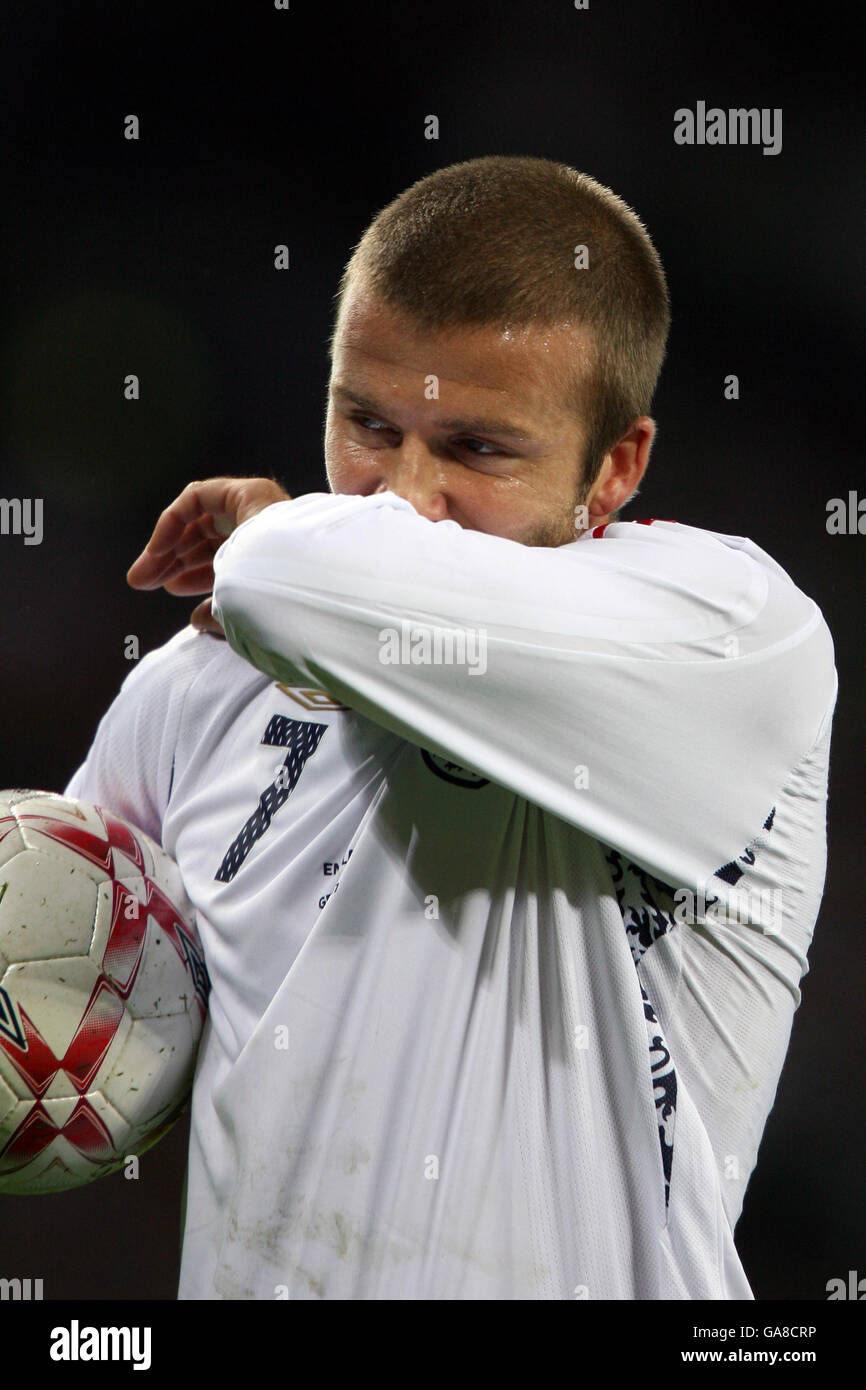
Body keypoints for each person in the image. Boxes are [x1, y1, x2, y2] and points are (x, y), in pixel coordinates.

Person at [66, 156, 837, 1299]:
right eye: (364, 422)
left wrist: (286, 544)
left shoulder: (726, 638)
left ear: (615, 467)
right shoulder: (199, 691)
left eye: (476, 449)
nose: (399, 496)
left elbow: (286, 575)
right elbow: (60, 946)